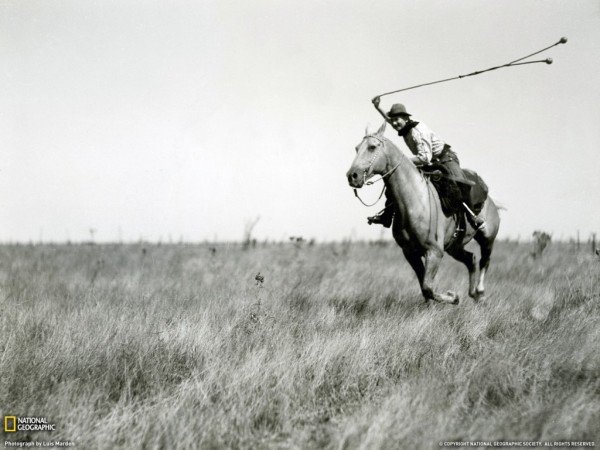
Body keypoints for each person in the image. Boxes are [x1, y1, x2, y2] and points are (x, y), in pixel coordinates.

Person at [368, 98, 486, 230]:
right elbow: (389, 119)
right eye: (393, 120)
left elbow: (425, 158)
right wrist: (378, 106)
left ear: (405, 119)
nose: (394, 123)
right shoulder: (403, 126)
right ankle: (386, 216)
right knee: (398, 181)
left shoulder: (417, 132)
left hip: (445, 158)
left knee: (459, 183)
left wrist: (401, 160)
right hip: (429, 160)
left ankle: (473, 217)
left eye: (397, 119)